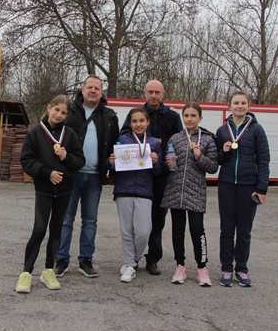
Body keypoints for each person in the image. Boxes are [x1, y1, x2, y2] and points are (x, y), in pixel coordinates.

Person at [15, 95, 85, 293]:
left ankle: (48, 270)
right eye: (56, 110)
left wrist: (67, 157)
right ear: (48, 108)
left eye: (63, 112)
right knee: (39, 230)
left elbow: (80, 161)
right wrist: (47, 174)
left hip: (64, 191)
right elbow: (26, 160)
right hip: (44, 189)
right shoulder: (35, 133)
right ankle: (26, 273)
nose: (59, 115)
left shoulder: (69, 134)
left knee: (56, 231)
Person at [54, 75, 120, 278]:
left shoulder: (109, 116)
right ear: (82, 90)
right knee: (66, 219)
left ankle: (86, 260)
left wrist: (113, 170)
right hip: (70, 175)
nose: (93, 91)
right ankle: (61, 259)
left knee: (90, 220)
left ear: (101, 93)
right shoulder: (69, 112)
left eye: (97, 88)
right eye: (89, 87)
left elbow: (115, 145)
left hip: (94, 177)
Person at [122, 79, 182, 275]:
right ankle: (132, 257)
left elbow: (179, 141)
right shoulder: (136, 114)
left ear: (163, 93)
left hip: (162, 175)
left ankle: (153, 258)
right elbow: (123, 136)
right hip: (139, 175)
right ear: (145, 93)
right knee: (136, 221)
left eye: (157, 92)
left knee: (158, 219)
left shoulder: (172, 117)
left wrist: (170, 160)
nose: (153, 96)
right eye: (150, 92)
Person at [215, 91, 270, 288]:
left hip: (249, 185)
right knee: (227, 229)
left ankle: (242, 269)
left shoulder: (257, 130)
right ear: (229, 106)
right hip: (227, 184)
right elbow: (217, 160)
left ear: (248, 106)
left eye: (243, 103)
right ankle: (226, 269)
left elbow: (264, 160)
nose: (239, 106)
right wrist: (224, 152)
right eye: (236, 103)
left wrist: (261, 188)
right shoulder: (222, 131)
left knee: (244, 230)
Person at [161, 102, 218, 286]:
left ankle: (202, 268)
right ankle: (180, 266)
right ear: (183, 117)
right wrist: (170, 163)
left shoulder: (207, 140)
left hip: (196, 191)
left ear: (200, 118)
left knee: (197, 229)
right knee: (177, 230)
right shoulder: (175, 138)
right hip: (176, 190)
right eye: (186, 115)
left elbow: (213, 167)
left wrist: (200, 157)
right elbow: (167, 166)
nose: (189, 119)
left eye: (193, 115)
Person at [109, 108, 163, 283]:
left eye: (141, 121)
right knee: (126, 231)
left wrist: (155, 162)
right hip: (123, 190)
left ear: (147, 122)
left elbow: (158, 171)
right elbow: (113, 166)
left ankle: (133, 260)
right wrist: (111, 162)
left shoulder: (154, 143)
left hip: (144, 192)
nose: (138, 124)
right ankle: (130, 266)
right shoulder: (122, 140)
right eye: (134, 121)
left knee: (143, 232)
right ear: (130, 123)